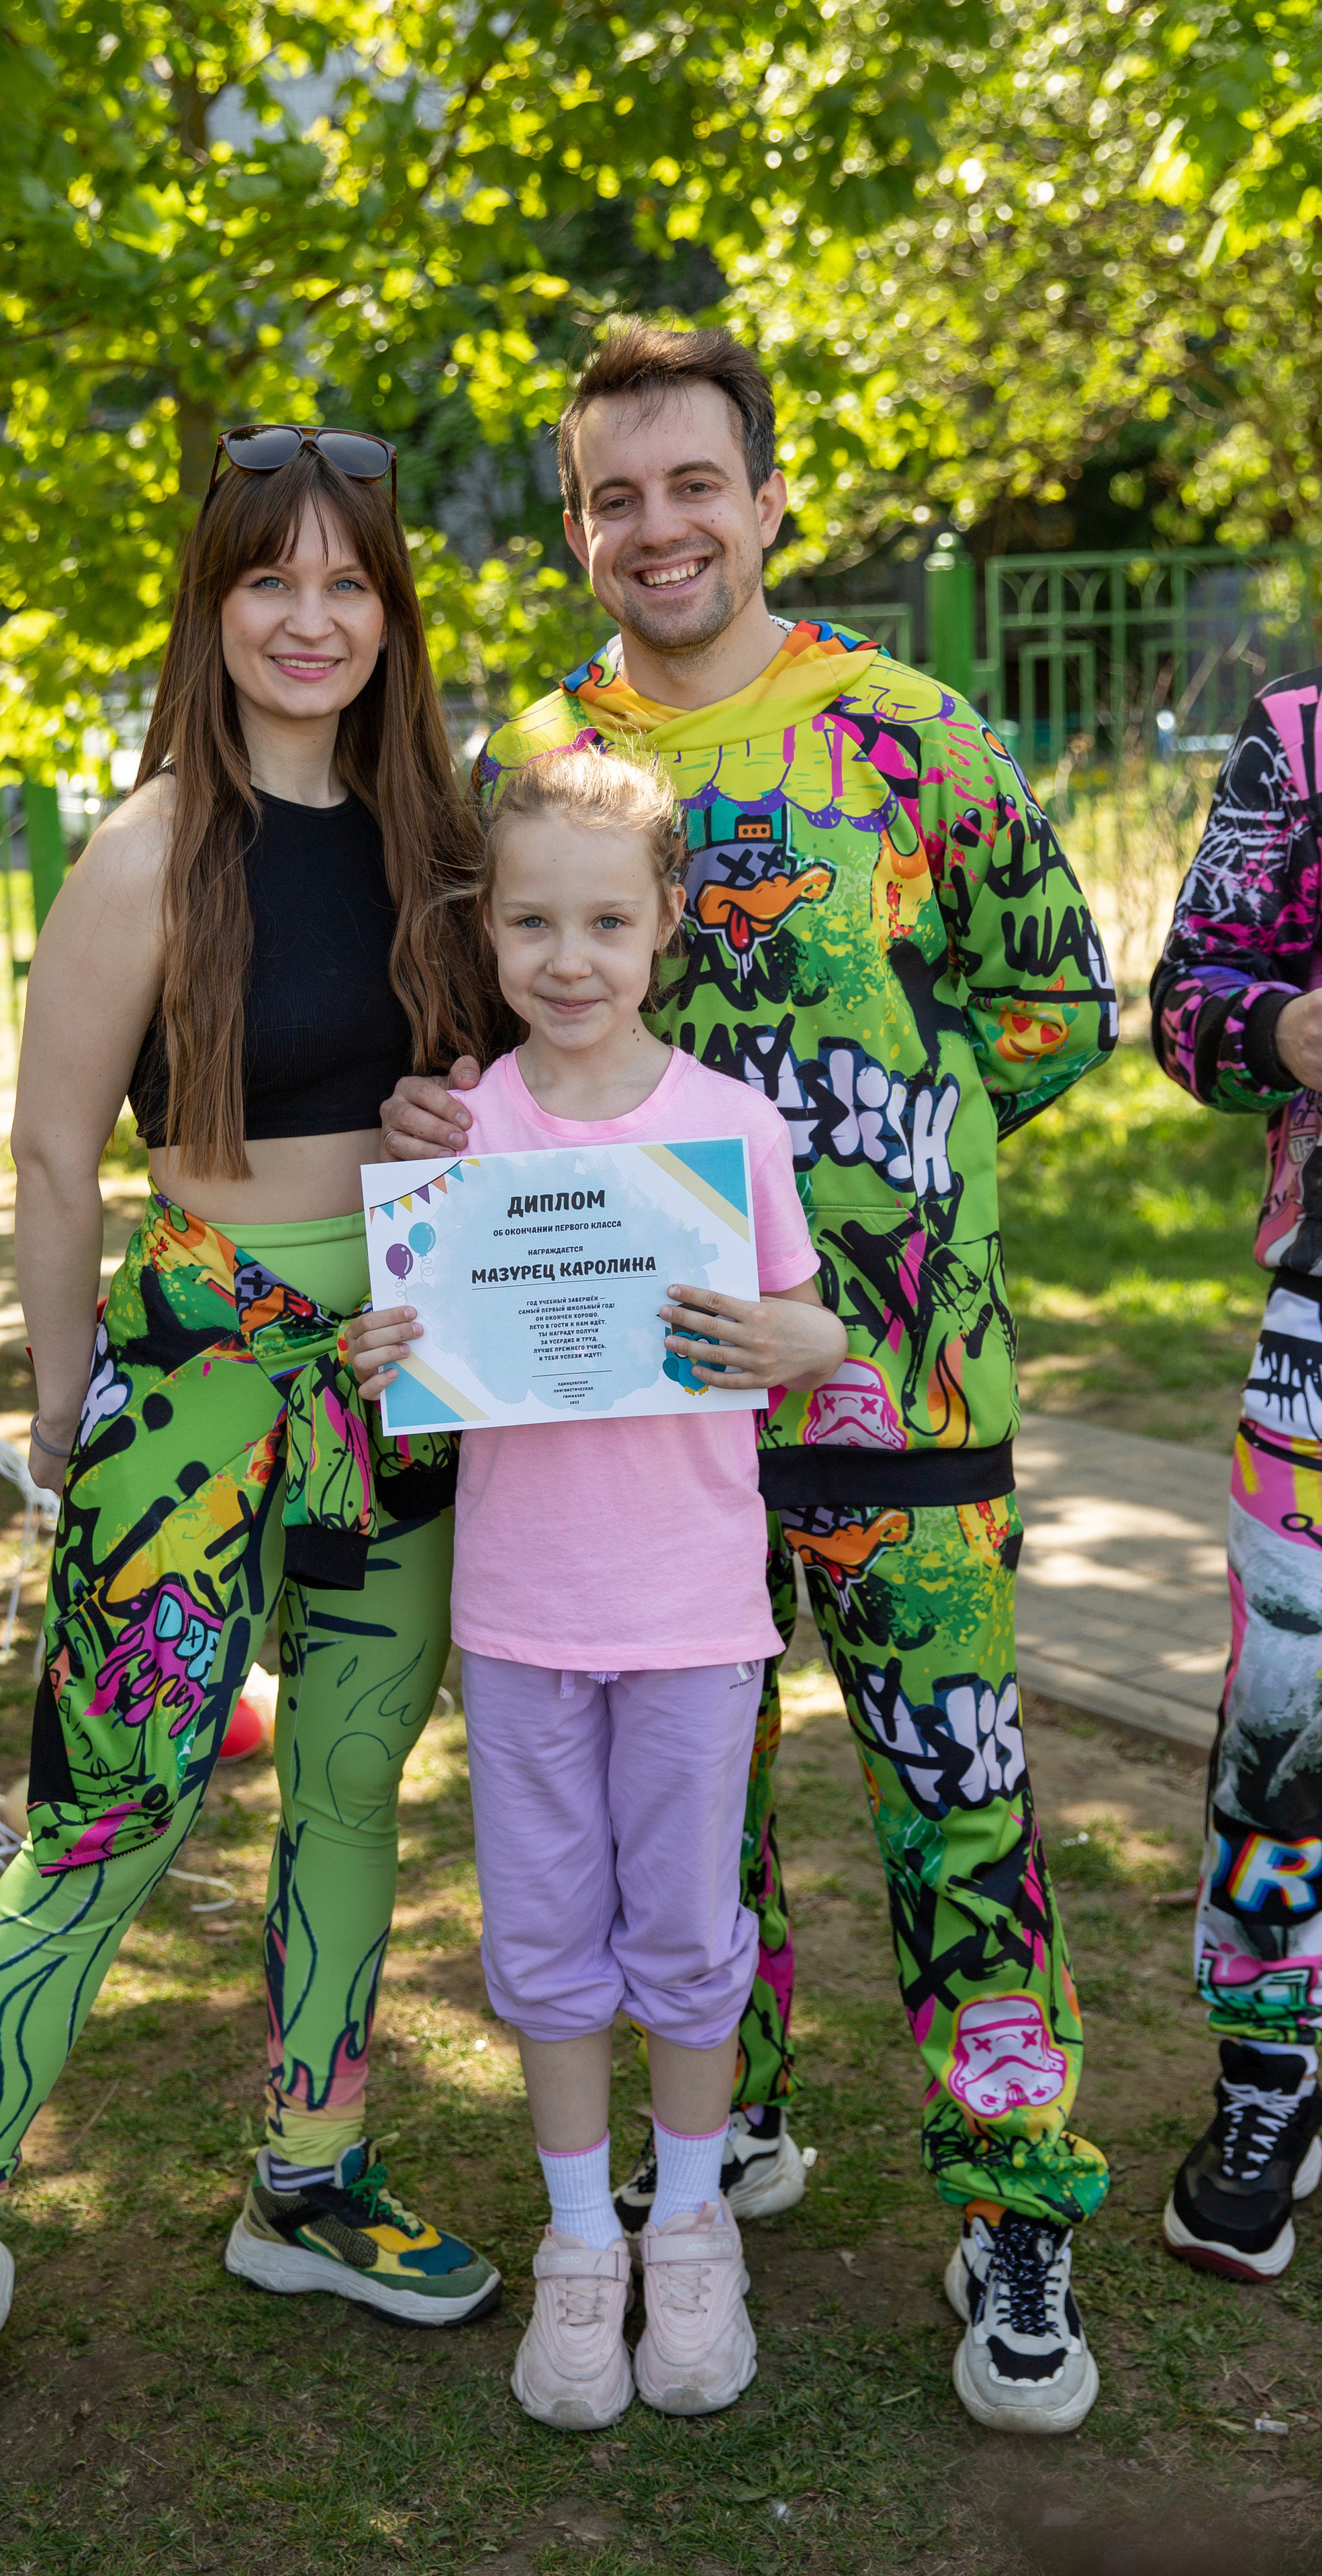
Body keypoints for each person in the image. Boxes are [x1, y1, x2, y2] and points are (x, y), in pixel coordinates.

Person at [382, 321, 1120, 2432]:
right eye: (615, 496)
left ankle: (1010, 2195)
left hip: (895, 1390)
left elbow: (1052, 1007)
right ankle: (732, 2124)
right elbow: (490, 1013)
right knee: (688, 1798)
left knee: (957, 1791)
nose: (657, 527)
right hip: (624, 1432)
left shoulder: (910, 735)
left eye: (693, 482)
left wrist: (894, 1197)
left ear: (770, 496)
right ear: (582, 526)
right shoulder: (535, 755)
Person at [0, 426, 508, 2498]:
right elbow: (53, 1154)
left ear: (393, 608)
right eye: (268, 580)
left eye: (351, 581)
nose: (311, 617)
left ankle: (307, 2169)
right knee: (103, 1823)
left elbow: (510, 1078)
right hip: (197, 1392)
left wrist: (460, 1116)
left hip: (402, 1378)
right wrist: (65, 1408)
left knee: (346, 1778)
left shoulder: (444, 837)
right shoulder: (149, 847)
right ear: (214, 604)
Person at [346, 746, 846, 2426]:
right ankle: (580, 2247)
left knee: (692, 1935)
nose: (569, 959)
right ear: (488, 930)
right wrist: (377, 1346)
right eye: (534, 921)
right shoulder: (457, 1137)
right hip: (521, 1619)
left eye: (606, 922)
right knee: (548, 1939)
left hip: (695, 1615)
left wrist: (804, 1335)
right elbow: (410, 1347)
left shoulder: (727, 1128)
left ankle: (688, 2225)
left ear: (664, 929)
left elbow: (808, 1321)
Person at [1150, 670, 1322, 2281]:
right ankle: (1269, 2069)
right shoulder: (1303, 731)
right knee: (1287, 1719)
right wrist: (1281, 1022)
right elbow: (1179, 1000)